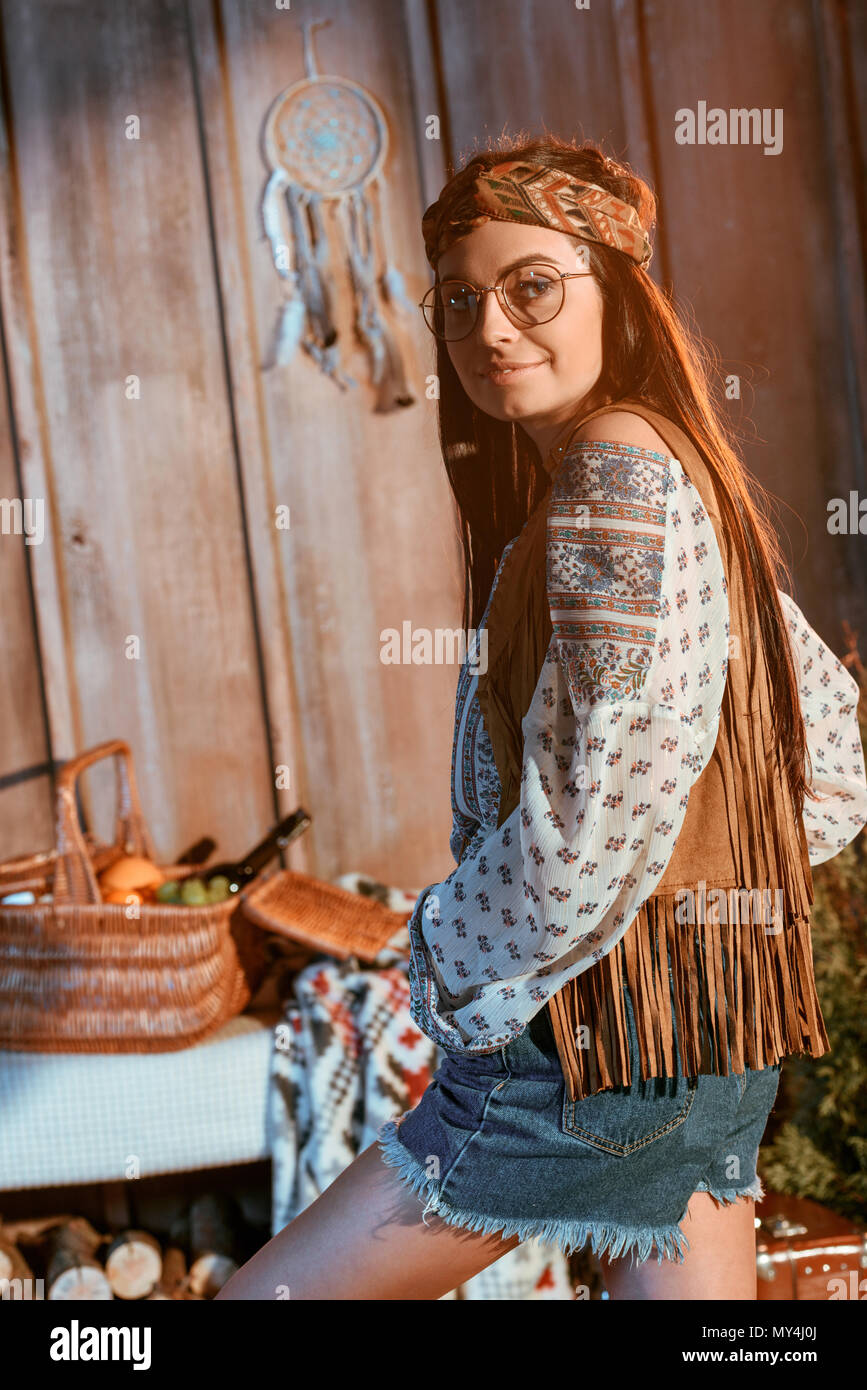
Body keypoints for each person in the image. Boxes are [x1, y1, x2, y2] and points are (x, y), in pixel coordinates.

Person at [217, 136, 867, 1301]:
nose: (492, 328)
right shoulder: (670, 464)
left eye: (532, 286)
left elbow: (592, 810)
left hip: (590, 1053)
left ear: (616, 293)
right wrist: (707, 915)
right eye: (460, 300)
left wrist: (443, 952)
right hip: (706, 1043)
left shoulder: (614, 478)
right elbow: (831, 757)